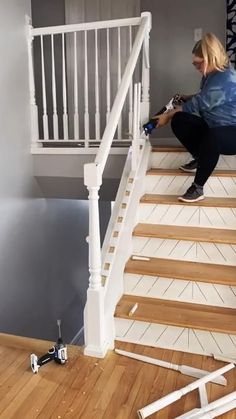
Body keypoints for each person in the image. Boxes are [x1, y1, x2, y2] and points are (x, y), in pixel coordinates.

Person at [153, 32, 236, 202]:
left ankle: (198, 188)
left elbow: (200, 104)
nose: (196, 67)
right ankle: (200, 158)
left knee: (211, 135)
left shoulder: (226, 78)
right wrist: (187, 97)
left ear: (210, 58)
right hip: (213, 126)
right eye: (194, 64)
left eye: (198, 64)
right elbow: (204, 97)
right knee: (180, 120)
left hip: (231, 133)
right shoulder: (211, 75)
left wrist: (167, 116)